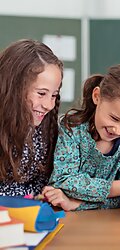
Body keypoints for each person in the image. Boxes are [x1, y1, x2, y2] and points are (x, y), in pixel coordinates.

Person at [43, 63, 120, 211]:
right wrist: (118, 187)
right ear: (97, 97)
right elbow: (62, 181)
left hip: (113, 223)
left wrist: (76, 203)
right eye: (114, 118)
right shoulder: (72, 128)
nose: (118, 130)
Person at [0, 39, 63, 196]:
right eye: (41, 93)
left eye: (54, 95)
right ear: (14, 87)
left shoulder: (45, 129)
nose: (49, 105)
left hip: (28, 212)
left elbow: (42, 182)